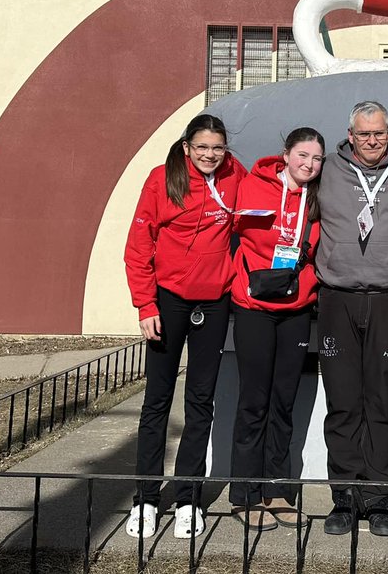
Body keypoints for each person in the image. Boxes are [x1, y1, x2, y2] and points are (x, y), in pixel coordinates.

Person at [123, 114, 246, 540]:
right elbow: (138, 247)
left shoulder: (234, 174)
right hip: (168, 301)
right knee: (157, 400)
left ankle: (189, 497)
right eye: (203, 147)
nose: (212, 155)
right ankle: (145, 498)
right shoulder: (163, 179)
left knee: (200, 401)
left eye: (219, 147)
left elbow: (265, 193)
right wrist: (145, 304)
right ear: (187, 147)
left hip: (213, 302)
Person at [315, 99, 388, 537]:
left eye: (379, 133)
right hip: (337, 298)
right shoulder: (325, 168)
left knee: (382, 401)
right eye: (364, 134)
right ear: (350, 135)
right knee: (343, 402)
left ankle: (380, 499)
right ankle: (344, 497)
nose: (372, 141)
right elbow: (283, 179)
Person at [227, 127, 325, 531]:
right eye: (303, 155)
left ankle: (278, 490)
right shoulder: (252, 185)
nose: (309, 164)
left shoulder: (318, 197)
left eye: (317, 159)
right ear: (285, 154)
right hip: (253, 306)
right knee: (254, 401)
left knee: (284, 402)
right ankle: (244, 493)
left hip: (296, 308)